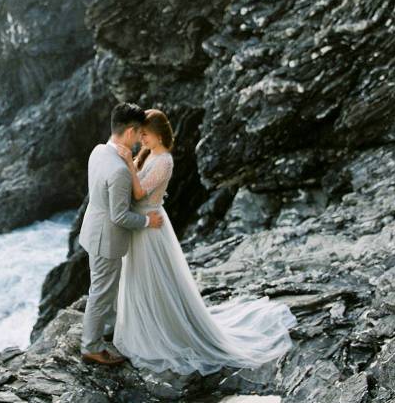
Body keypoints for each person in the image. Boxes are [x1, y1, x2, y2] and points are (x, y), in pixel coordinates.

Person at [111, 108, 298, 375]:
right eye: (140, 135)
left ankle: (162, 331)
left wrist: (127, 162)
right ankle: (142, 327)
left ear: (160, 135)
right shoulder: (149, 154)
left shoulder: (164, 161)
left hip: (151, 227)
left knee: (154, 280)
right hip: (143, 224)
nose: (142, 140)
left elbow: (139, 193)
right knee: (139, 279)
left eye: (146, 135)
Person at [78, 102, 164, 366]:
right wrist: (147, 221)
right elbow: (120, 216)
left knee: (103, 288)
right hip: (106, 238)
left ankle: (110, 331)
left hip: (93, 229)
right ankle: (90, 346)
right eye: (139, 134)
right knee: (101, 292)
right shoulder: (118, 170)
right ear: (129, 132)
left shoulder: (99, 150)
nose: (140, 140)